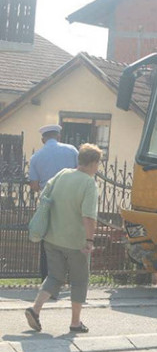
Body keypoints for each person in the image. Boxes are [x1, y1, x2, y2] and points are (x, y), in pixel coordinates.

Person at [25, 144, 102, 334]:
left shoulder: (62, 174)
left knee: (54, 276)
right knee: (79, 280)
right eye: (98, 163)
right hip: (76, 242)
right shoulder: (88, 184)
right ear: (93, 163)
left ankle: (35, 310)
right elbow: (88, 217)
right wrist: (90, 241)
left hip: (52, 237)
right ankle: (75, 322)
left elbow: (44, 196)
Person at [28, 124, 78, 282]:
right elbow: (82, 174)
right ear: (59, 136)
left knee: (48, 243)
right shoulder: (72, 151)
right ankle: (68, 277)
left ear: (43, 139)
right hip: (71, 202)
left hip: (48, 204)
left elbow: (35, 186)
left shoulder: (36, 157)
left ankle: (47, 278)